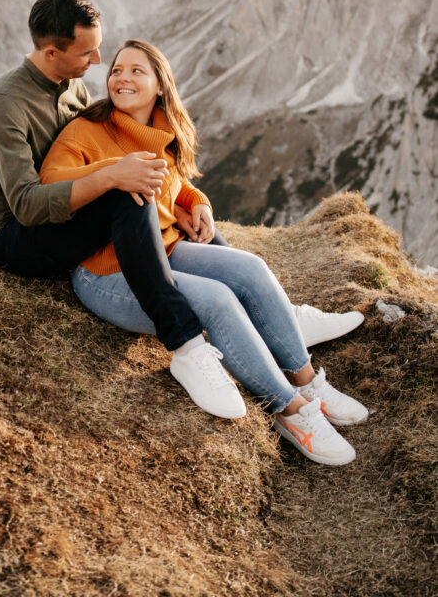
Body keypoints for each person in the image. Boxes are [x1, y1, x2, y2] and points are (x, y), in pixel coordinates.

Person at [0, 0, 363, 423]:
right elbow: (26, 203)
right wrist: (113, 174)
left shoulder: (71, 85)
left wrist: (193, 200)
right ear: (50, 51)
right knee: (126, 189)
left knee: (215, 246)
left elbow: (132, 156)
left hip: (70, 216)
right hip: (14, 236)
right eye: (89, 52)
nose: (99, 61)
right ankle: (187, 343)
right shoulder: (5, 102)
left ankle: (275, 316)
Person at [39, 39, 369, 465]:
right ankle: (290, 410)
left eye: (137, 71)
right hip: (106, 273)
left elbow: (176, 184)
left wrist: (199, 204)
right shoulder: (88, 129)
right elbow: (52, 182)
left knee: (251, 268)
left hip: (165, 249)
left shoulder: (161, 129)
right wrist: (113, 172)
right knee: (217, 300)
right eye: (117, 69)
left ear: (160, 86)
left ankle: (307, 382)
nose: (122, 77)